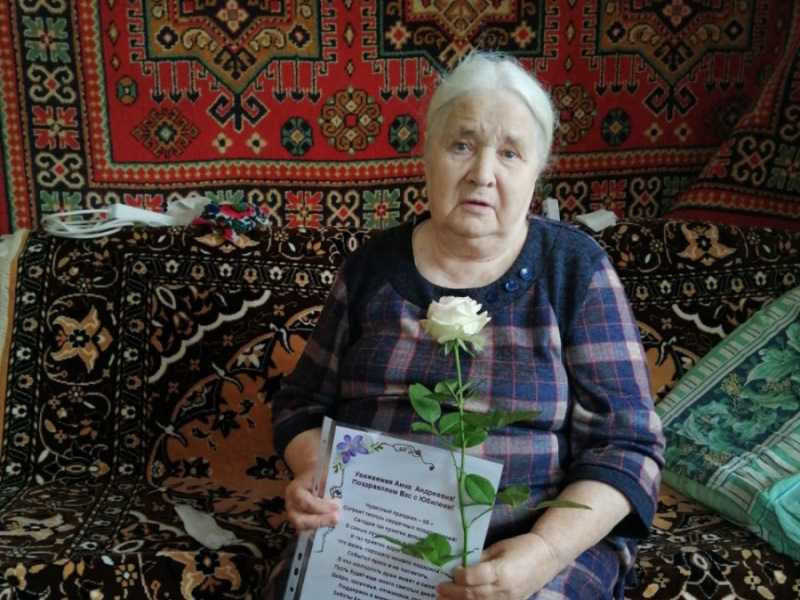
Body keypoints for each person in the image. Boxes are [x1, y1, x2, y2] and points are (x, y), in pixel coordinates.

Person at [270, 51, 665, 600]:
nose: (482, 173)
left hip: (532, 544)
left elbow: (628, 445)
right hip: (374, 540)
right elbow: (302, 405)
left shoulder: (575, 269)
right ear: (427, 155)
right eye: (462, 145)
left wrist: (543, 552)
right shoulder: (371, 269)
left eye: (510, 153)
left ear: (536, 172)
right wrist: (316, 470)